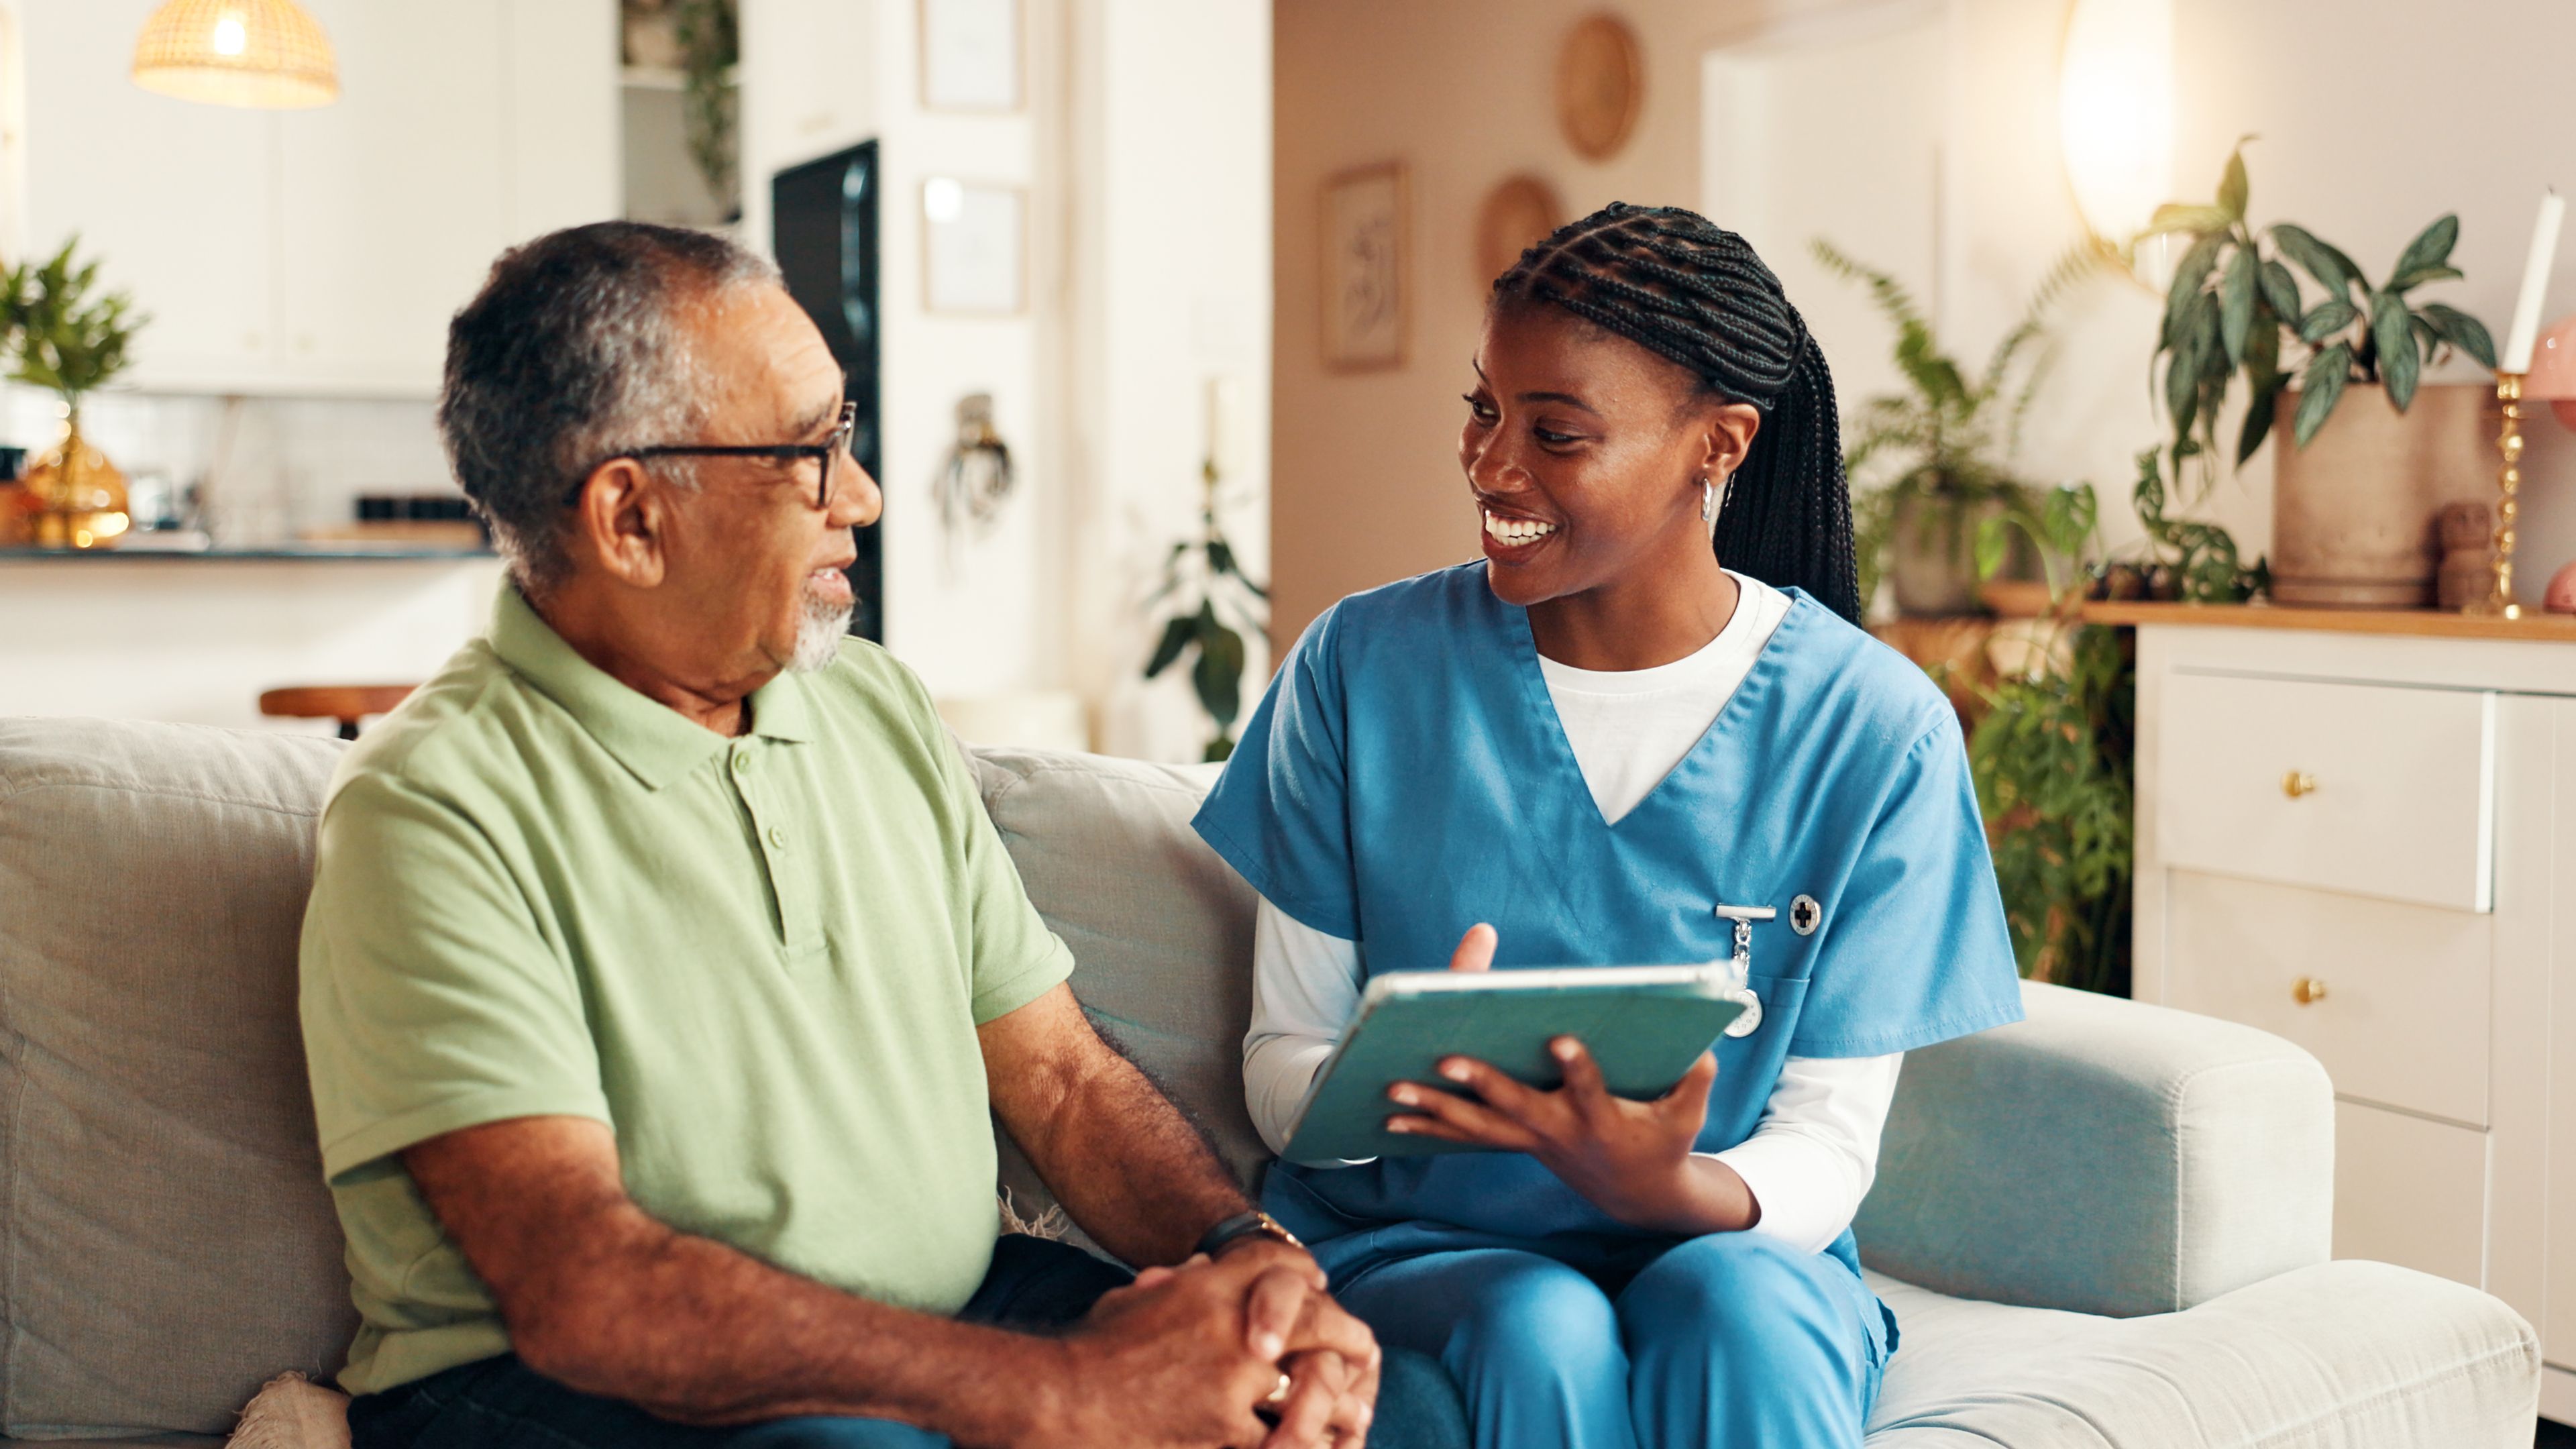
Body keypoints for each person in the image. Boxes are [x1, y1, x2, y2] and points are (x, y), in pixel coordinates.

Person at [298, 221, 1467, 1449]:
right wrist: (1069, 1399)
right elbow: (593, 1293)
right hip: (564, 1386)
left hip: (955, 1315)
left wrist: (1251, 1263)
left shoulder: (872, 706)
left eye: (842, 436)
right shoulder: (432, 813)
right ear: (631, 519)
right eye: (807, 456)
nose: (859, 495)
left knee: (1400, 1411)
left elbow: (1062, 1084)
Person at [1191, 203, 2026, 1449]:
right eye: (1483, 409)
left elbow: (1829, 1146)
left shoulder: (1875, 729)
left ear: (1720, 445)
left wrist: (1669, 1186)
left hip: (1735, 1244)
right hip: (1426, 1248)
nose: (1491, 466)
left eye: (1556, 434)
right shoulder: (1360, 672)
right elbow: (1279, 1072)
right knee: (1542, 1322)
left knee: (1737, 1313)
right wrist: (1384, 1078)